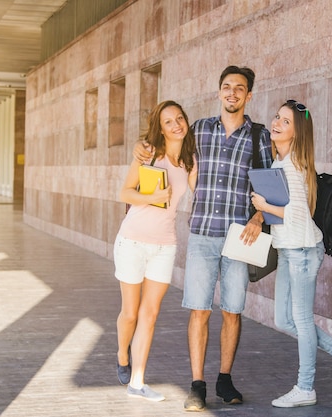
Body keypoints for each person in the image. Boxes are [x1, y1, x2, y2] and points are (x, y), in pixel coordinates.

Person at [134, 66, 273, 411]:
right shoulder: (199, 130)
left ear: (248, 96)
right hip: (202, 235)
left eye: (239, 89)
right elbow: (165, 145)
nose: (232, 93)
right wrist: (143, 145)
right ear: (219, 91)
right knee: (199, 310)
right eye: (226, 87)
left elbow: (269, 190)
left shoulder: (259, 137)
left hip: (239, 237)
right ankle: (197, 385)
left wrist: (259, 217)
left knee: (232, 311)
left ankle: (225, 379)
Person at [250, 100, 332, 408]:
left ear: (297, 134)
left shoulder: (293, 165)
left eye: (286, 122)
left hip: (301, 251)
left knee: (299, 318)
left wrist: (264, 207)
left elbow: (297, 215)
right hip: (290, 250)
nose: (276, 123)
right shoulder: (279, 163)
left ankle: (305, 386)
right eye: (277, 117)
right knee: (285, 319)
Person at [115, 100, 197, 402]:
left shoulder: (189, 162)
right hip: (132, 241)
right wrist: (151, 197)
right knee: (130, 313)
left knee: (150, 314)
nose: (176, 125)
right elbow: (124, 193)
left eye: (179, 118)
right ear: (160, 130)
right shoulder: (148, 154)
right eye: (168, 122)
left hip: (164, 245)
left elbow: (199, 189)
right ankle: (121, 352)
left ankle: (137, 381)